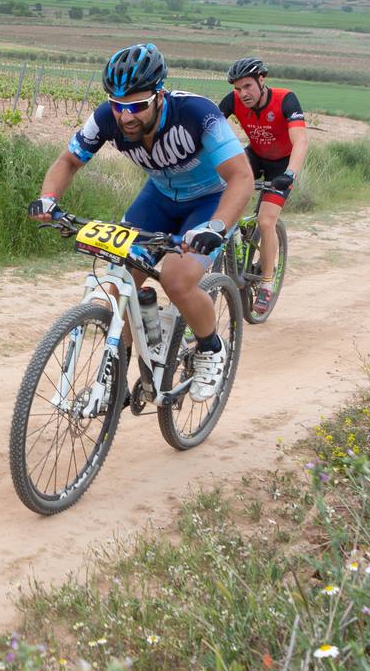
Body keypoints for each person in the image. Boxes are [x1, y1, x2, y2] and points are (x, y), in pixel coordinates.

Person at [29, 43, 253, 402]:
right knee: (119, 281)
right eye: (118, 106)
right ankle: (114, 376)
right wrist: (48, 198)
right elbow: (68, 161)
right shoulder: (107, 117)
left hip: (210, 201)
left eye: (136, 106)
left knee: (177, 282)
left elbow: (242, 178)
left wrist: (217, 227)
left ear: (160, 96)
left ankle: (210, 348)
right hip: (159, 199)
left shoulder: (198, 114)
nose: (126, 116)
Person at [218, 57, 307, 315]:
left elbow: (300, 141)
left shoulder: (285, 99)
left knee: (266, 222)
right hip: (254, 156)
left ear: (261, 80)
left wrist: (290, 174)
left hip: (281, 165)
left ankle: (267, 284)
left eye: (247, 86)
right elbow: (207, 129)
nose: (242, 94)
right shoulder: (233, 101)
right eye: (237, 89)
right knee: (217, 187)